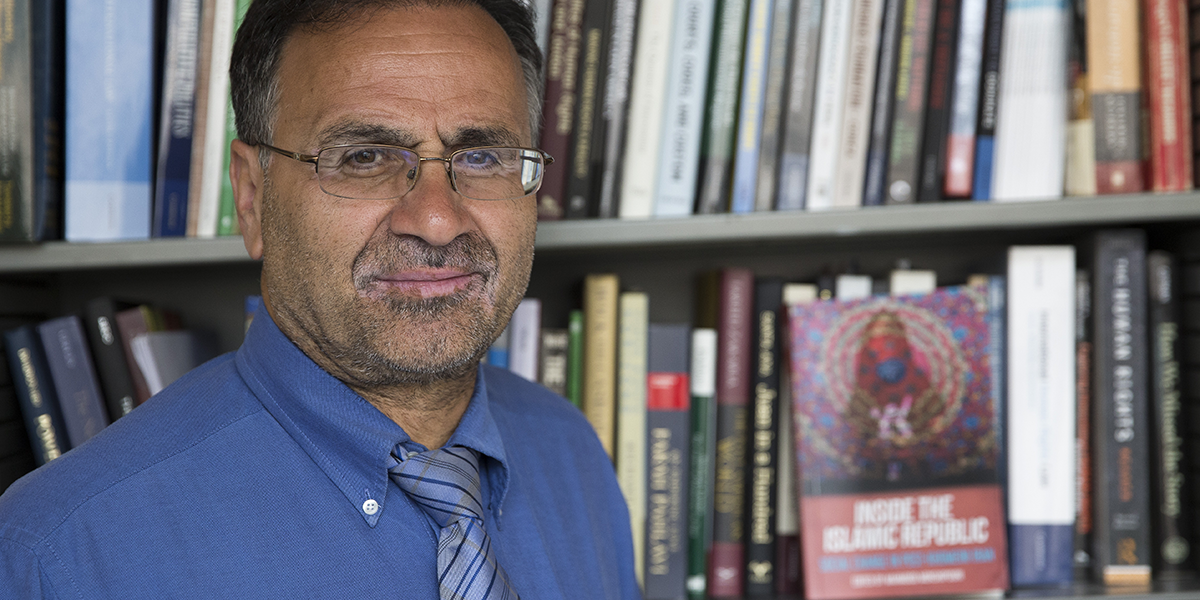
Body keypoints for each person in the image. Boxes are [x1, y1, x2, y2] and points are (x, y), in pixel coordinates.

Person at [0, 1, 639, 598]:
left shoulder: (572, 456)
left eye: (481, 156)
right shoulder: (60, 552)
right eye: (363, 157)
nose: (438, 219)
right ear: (252, 197)